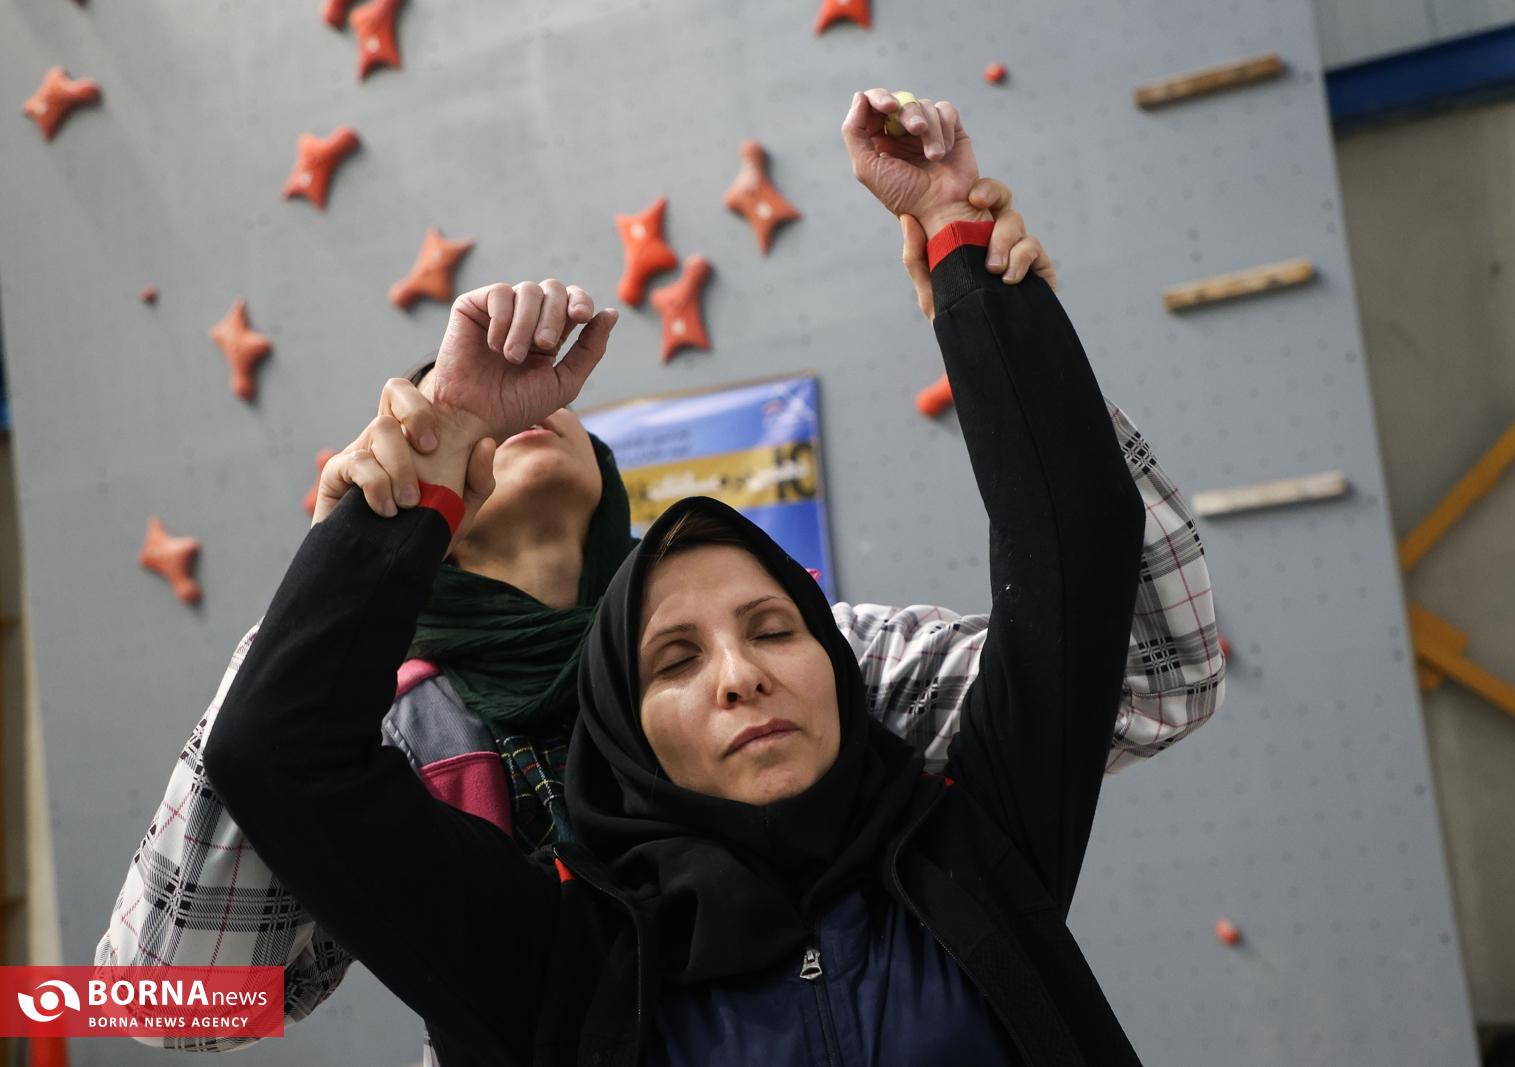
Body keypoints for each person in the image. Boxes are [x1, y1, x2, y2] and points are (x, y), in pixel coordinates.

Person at [104, 93, 1217, 1064]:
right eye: (672, 657)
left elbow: (1132, 652)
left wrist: (982, 290)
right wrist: (371, 528)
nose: (740, 673)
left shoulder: (848, 677)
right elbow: (158, 998)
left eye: (769, 626)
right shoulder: (429, 779)